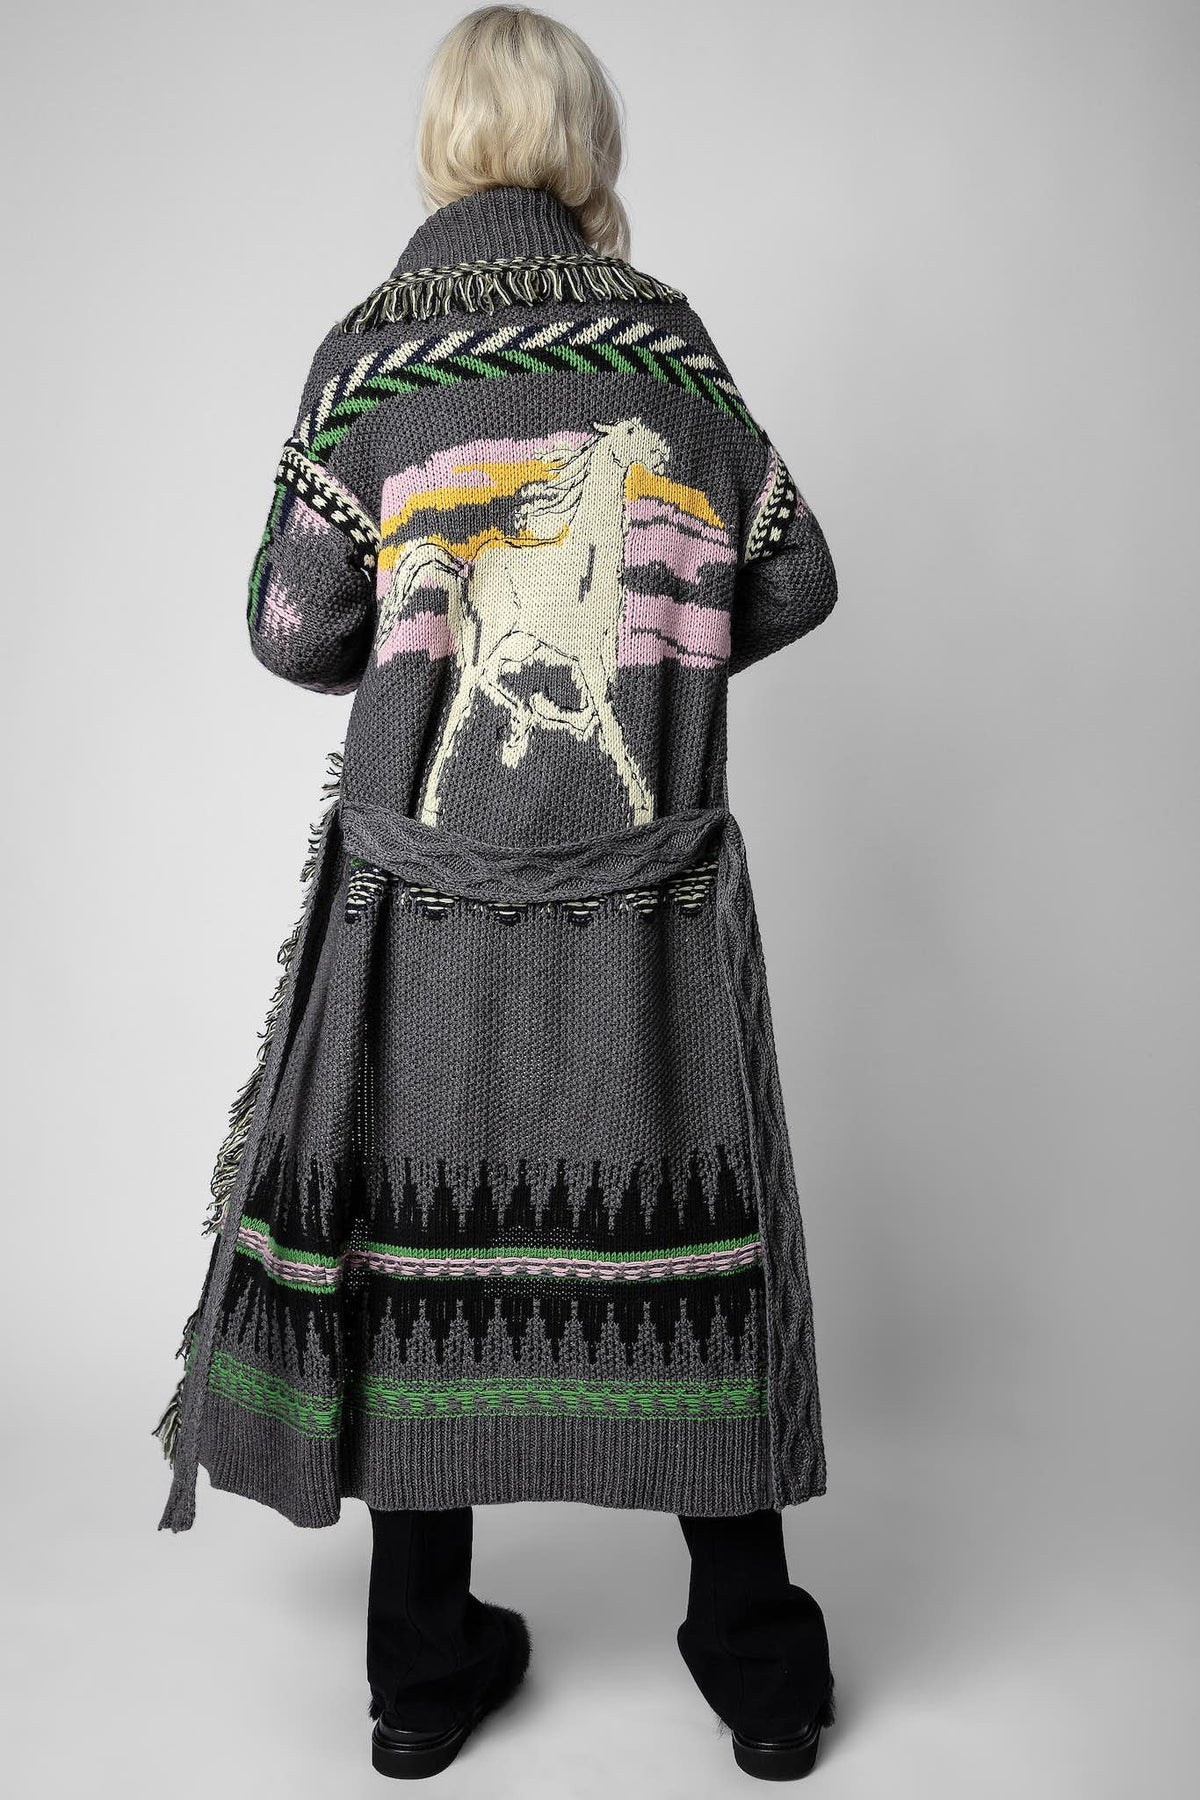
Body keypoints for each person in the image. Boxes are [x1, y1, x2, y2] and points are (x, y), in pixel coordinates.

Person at [153, 4, 840, 1782]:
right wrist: (664, 643)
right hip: (645, 917)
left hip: (426, 919)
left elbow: (289, 624)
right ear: (586, 144)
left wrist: (418, 623)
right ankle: (763, 1679)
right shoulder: (671, 353)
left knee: (419, 1257)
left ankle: (422, 1675)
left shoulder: (370, 362)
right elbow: (794, 579)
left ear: (447, 142)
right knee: (692, 1251)